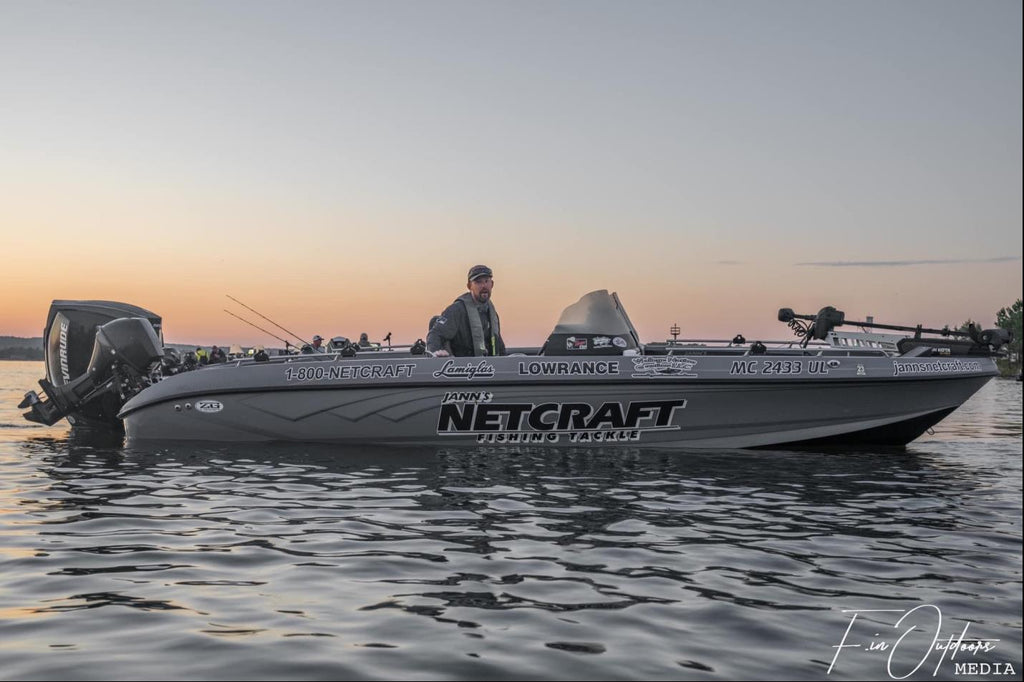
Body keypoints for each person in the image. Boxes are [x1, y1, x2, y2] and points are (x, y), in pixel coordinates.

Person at [426, 264, 506, 357]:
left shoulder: (492, 315)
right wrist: (436, 352)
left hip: (488, 367)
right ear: (469, 286)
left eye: (486, 281)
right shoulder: (456, 310)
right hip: (461, 367)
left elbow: (499, 347)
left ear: (492, 284)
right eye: (478, 282)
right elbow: (435, 335)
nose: (483, 285)